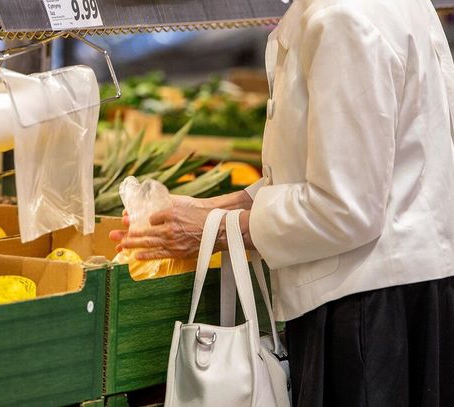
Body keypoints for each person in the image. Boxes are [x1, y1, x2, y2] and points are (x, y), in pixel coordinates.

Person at [110, 0, 454, 405]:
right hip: (398, 295)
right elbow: (354, 167)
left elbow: (343, 210)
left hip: (368, 315)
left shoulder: (343, 19)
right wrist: (216, 207)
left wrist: (216, 230)